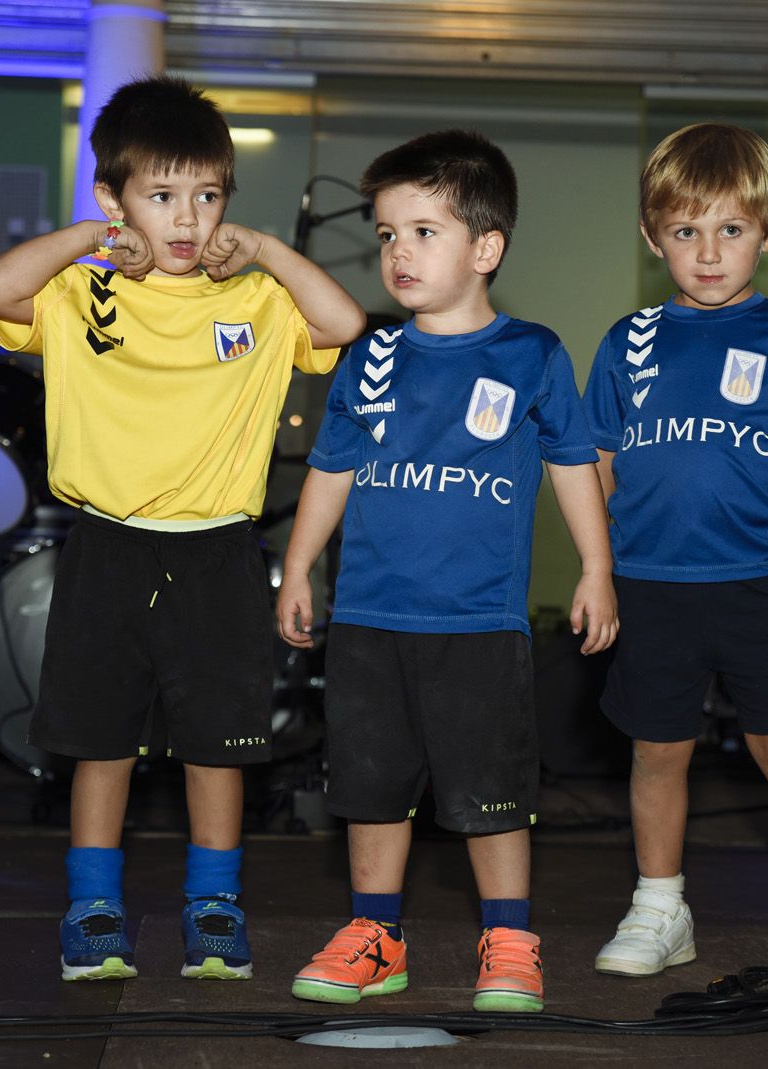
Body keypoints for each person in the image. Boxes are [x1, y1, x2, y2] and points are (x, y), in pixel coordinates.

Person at [0, 75, 364, 983]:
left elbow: (342, 320)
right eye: (160, 195)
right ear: (115, 199)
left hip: (219, 553)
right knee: (101, 742)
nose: (186, 219)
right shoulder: (80, 292)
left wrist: (264, 249)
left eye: (208, 196)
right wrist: (92, 237)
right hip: (106, 547)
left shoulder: (257, 302)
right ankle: (92, 907)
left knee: (218, 745)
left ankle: (214, 904)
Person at [276, 129, 618, 1014]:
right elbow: (332, 469)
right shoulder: (371, 358)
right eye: (388, 234)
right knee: (371, 787)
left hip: (477, 623)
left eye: (424, 232)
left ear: (486, 248)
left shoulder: (533, 354)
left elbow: (573, 463)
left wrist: (597, 567)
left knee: (490, 792)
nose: (399, 251)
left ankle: (508, 938)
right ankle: (375, 935)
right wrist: (299, 565)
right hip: (369, 619)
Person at [582, 122, 768, 983]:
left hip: (760, 584)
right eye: (686, 230)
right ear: (653, 236)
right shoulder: (627, 341)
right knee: (657, 752)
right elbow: (596, 461)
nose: (708, 253)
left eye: (731, 229)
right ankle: (660, 906)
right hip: (650, 587)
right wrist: (603, 569)